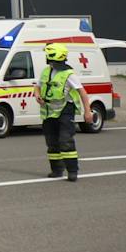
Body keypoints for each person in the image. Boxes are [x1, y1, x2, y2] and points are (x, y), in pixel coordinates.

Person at [36, 43, 92, 181]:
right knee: (51, 141)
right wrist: (37, 96)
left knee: (65, 141)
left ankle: (72, 171)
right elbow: (37, 86)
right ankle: (56, 170)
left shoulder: (69, 74)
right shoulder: (46, 71)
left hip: (65, 110)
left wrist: (88, 112)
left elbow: (82, 92)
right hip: (49, 111)